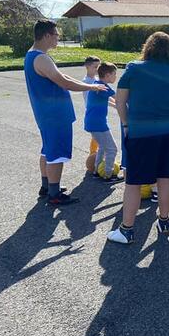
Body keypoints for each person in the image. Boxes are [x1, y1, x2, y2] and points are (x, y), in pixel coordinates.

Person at [107, 32, 169, 244]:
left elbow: (120, 102)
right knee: (165, 179)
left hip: (140, 132)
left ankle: (127, 230)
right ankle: (164, 222)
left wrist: (126, 123)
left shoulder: (134, 69)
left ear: (149, 47)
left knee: (134, 182)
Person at [24, 19, 106, 205]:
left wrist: (89, 84)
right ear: (46, 35)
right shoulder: (41, 58)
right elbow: (65, 83)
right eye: (56, 35)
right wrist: (92, 88)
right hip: (54, 115)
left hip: (46, 113)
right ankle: (54, 194)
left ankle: (47, 187)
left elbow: (62, 76)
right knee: (57, 154)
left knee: (47, 150)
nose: (58, 38)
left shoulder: (34, 55)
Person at [85, 61, 121, 182]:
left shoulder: (97, 84)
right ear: (107, 75)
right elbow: (120, 99)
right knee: (112, 149)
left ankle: (96, 171)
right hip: (98, 124)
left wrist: (116, 105)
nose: (116, 77)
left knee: (102, 147)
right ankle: (108, 174)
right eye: (114, 74)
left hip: (92, 122)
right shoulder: (103, 87)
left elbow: (108, 100)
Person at [83, 55, 101, 156]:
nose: (98, 69)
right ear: (87, 67)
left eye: (99, 66)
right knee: (97, 136)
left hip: (100, 112)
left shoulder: (97, 79)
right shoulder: (86, 82)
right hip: (92, 113)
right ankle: (93, 157)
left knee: (99, 137)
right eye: (95, 67)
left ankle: (99, 157)